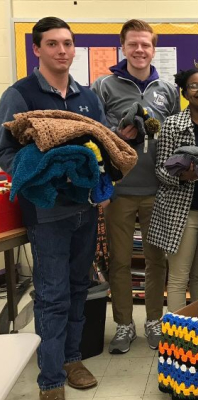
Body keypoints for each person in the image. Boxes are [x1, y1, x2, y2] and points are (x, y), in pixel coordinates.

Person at [0, 17, 106, 400]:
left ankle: (72, 358)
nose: (62, 50)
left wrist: (103, 181)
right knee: (51, 292)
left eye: (67, 43)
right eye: (52, 44)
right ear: (37, 49)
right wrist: (40, 176)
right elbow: (6, 151)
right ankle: (50, 378)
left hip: (85, 207)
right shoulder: (21, 95)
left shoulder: (88, 97)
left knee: (80, 286)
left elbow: (104, 144)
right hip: (47, 212)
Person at [91, 19, 180, 354]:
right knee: (120, 261)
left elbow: (175, 136)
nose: (140, 50)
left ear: (153, 49)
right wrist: (119, 132)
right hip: (120, 191)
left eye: (146, 44)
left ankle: (154, 322)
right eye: (133, 44)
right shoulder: (104, 86)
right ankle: (124, 325)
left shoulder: (168, 90)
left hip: (159, 191)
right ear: (123, 46)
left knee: (158, 261)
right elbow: (95, 135)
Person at [147, 67, 198, 312]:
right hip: (181, 213)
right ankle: (176, 334)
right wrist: (185, 176)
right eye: (194, 86)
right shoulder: (172, 125)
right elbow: (160, 171)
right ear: (185, 92)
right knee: (179, 278)